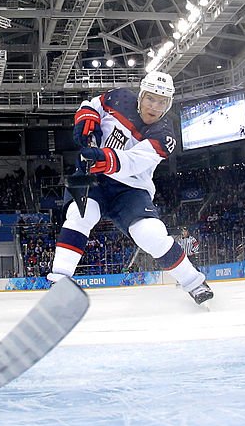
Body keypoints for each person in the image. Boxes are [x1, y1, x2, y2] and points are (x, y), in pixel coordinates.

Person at [49, 71, 213, 305]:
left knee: (150, 234)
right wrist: (87, 118)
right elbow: (92, 105)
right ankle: (60, 280)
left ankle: (194, 282)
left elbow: (133, 162)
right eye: (150, 99)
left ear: (168, 106)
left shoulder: (165, 135)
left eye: (162, 102)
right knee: (81, 214)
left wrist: (102, 157)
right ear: (140, 96)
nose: (155, 107)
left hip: (131, 187)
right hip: (92, 177)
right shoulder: (119, 98)